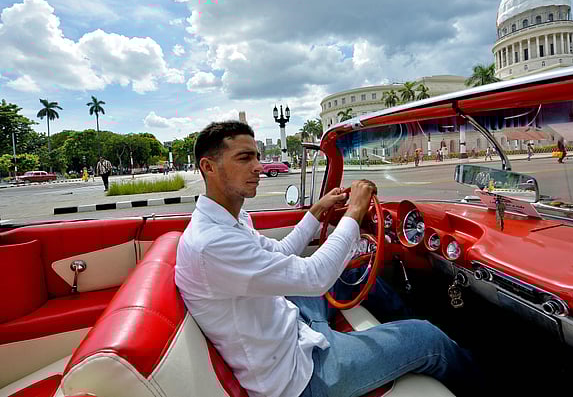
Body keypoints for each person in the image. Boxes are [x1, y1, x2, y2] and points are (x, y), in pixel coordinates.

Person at [175, 121, 477, 397]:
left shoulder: (229, 219)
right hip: (299, 376)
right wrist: (354, 212)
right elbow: (314, 277)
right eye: (244, 158)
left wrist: (317, 210)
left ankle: (401, 335)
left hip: (290, 325)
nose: (258, 167)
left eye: (256, 156)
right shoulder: (213, 243)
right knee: (428, 338)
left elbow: (278, 253)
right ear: (208, 167)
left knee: (352, 275)